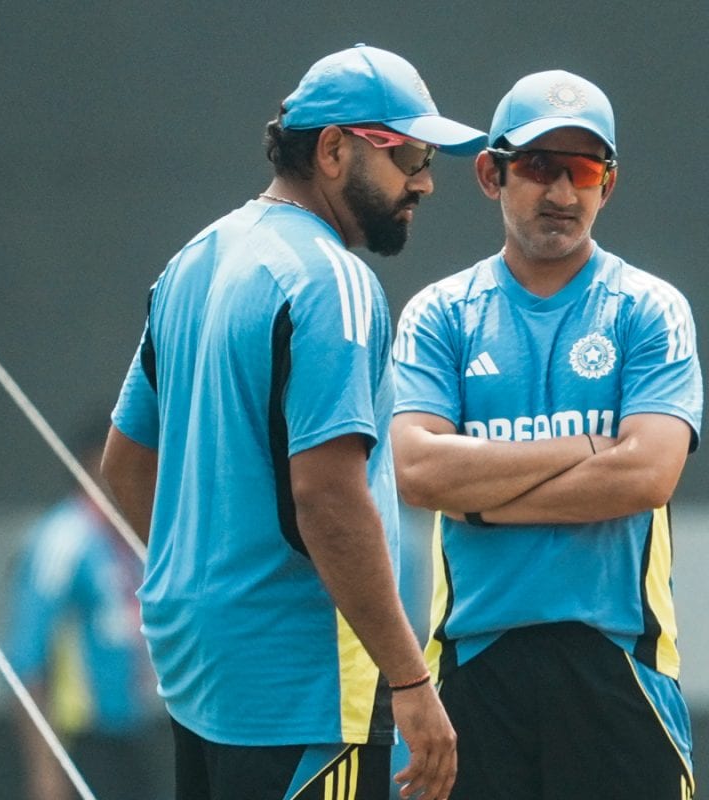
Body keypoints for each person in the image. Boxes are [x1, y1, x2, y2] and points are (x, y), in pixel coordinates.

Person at [101, 44, 485, 800]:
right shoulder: (333, 281)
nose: (425, 182)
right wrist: (410, 680)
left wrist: (218, 583)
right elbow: (329, 498)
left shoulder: (194, 260)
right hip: (306, 690)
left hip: (203, 679)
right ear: (334, 150)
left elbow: (126, 463)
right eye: (408, 156)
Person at [391, 70, 700, 799]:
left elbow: (648, 475)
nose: (562, 191)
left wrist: (480, 501)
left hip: (620, 661)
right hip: (476, 664)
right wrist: (588, 449)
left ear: (608, 185)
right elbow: (417, 472)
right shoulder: (441, 313)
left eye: (583, 170)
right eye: (537, 165)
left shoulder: (649, 308)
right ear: (490, 174)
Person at [6, 424, 165, 800]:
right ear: (94, 465)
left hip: (134, 733)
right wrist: (45, 769)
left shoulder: (129, 538)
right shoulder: (64, 539)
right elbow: (27, 659)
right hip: (82, 737)